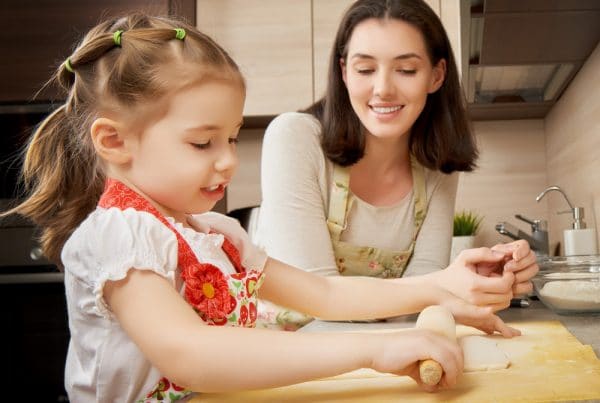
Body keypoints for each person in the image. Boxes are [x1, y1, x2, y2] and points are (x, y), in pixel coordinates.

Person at [0, 12, 525, 403]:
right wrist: (372, 350)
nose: (228, 161)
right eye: (203, 144)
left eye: (231, 138)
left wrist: (442, 292)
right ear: (114, 142)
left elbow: (321, 291)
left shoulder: (217, 232)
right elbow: (193, 355)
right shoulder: (121, 237)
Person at [255, 0, 538, 310]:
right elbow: (313, 298)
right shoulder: (296, 138)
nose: (383, 89)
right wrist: (444, 286)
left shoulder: (436, 165)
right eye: (365, 69)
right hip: (288, 350)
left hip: (383, 350)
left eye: (406, 70)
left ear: (436, 75)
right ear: (344, 72)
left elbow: (421, 294)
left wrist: (471, 279)